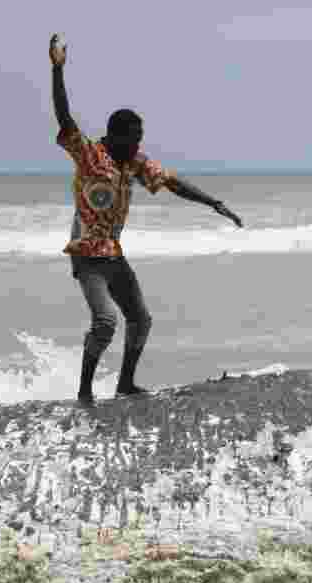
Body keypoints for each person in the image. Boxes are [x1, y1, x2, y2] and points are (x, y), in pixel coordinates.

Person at [49, 34, 244, 406]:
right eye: (134, 137)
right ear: (116, 135)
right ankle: (84, 392)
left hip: (114, 254)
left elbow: (171, 182)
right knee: (106, 323)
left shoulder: (133, 161)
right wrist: (57, 70)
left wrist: (214, 202)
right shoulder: (91, 155)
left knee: (141, 320)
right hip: (87, 255)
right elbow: (64, 117)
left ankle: (125, 384)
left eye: (141, 138)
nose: (139, 144)